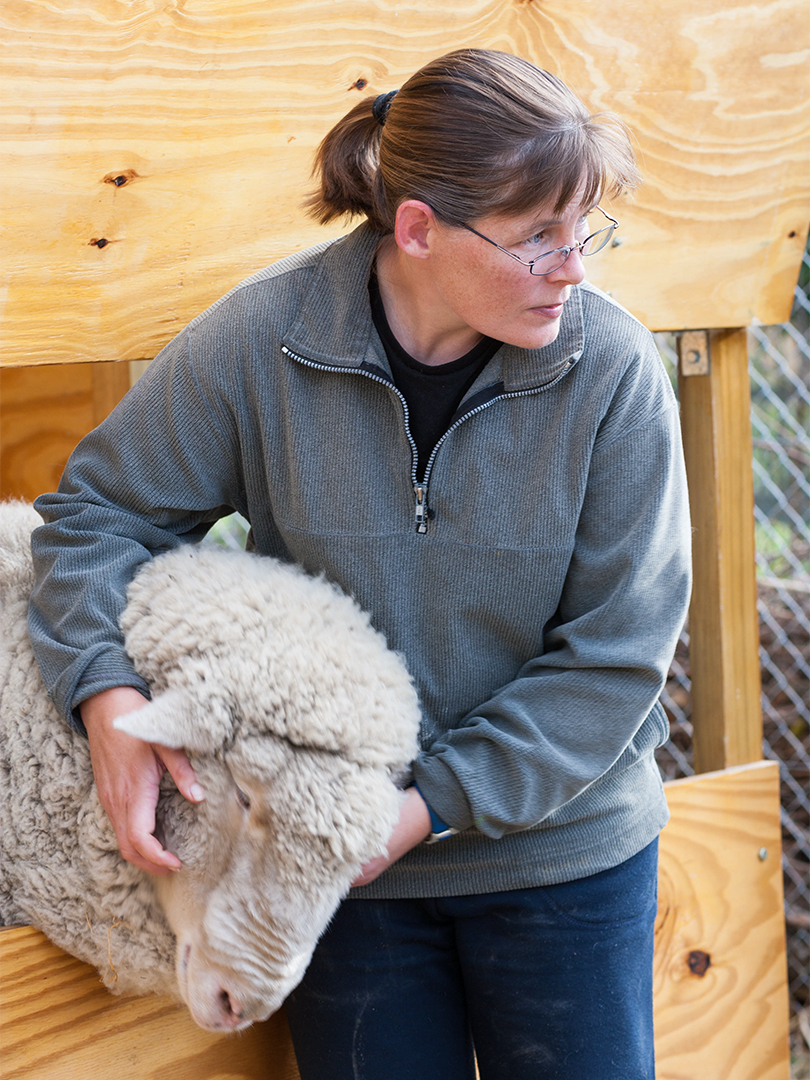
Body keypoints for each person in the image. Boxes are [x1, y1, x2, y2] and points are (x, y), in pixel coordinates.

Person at [29, 48, 691, 1080]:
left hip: (566, 856)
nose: (576, 268)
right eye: (538, 240)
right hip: (346, 882)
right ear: (418, 227)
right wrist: (104, 695)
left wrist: (414, 810)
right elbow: (95, 518)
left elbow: (616, 657)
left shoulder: (611, 372)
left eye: (583, 230)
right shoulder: (262, 341)